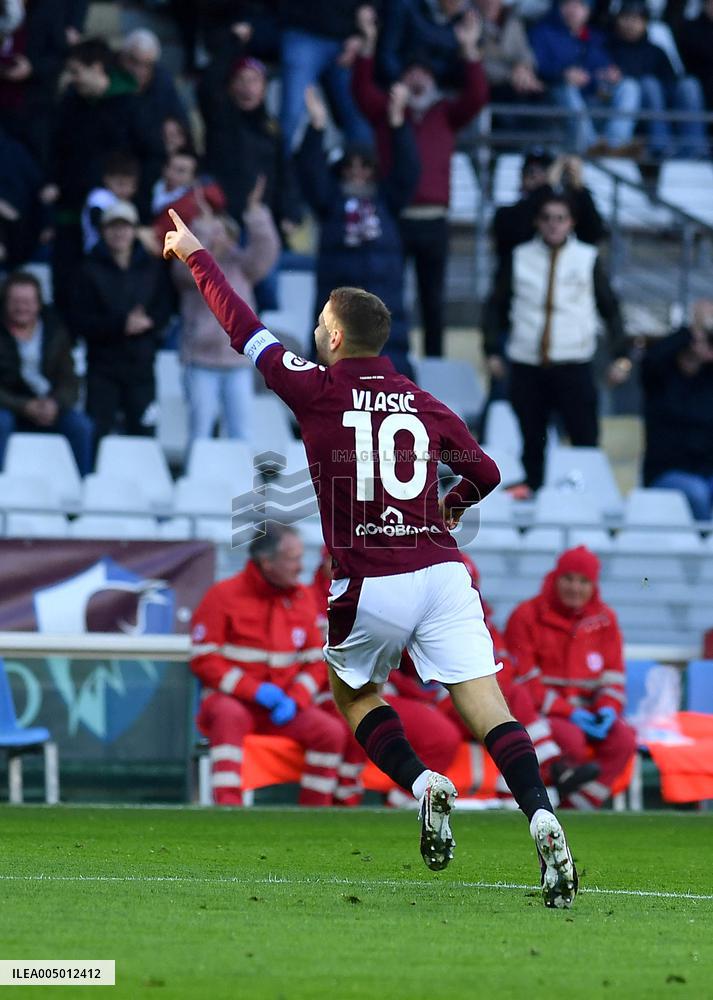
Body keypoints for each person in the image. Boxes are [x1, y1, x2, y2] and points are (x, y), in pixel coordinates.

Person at [164, 205, 579, 908]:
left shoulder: (317, 387)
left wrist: (195, 253)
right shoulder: (421, 400)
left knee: (353, 694)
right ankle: (539, 813)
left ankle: (423, 785)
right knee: (488, 707)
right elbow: (482, 472)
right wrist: (451, 508)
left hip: (370, 579)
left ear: (330, 335)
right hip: (445, 574)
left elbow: (241, 328)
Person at [353, 6, 488, 357]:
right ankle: (388, 362)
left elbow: (477, 97)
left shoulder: (444, 114)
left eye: (424, 74)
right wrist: (368, 44)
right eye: (410, 73)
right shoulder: (388, 113)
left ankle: (433, 367)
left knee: (433, 301)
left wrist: (469, 50)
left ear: (433, 81)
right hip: (396, 220)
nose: (417, 80)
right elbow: (361, 91)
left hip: (434, 222)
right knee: (387, 298)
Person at [190, 524, 348, 806]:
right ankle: (227, 810)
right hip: (234, 703)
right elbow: (204, 659)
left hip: (284, 708)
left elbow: (316, 661)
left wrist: (296, 698)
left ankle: (315, 818)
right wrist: (255, 691)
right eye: (293, 559)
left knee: (331, 732)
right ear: (267, 562)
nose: (301, 568)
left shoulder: (301, 598)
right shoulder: (222, 596)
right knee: (229, 716)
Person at [483, 193, 631, 491]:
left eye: (560, 218)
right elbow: (495, 307)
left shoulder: (587, 258)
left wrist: (621, 355)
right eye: (547, 218)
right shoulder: (519, 256)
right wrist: (491, 350)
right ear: (538, 221)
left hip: (573, 363)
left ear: (571, 222)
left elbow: (611, 309)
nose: (553, 225)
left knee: (584, 439)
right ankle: (535, 508)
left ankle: (586, 502)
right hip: (528, 364)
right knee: (531, 442)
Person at [296, 84, 418, 376]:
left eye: (365, 167)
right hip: (339, 323)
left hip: (387, 327)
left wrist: (398, 123)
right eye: (349, 167)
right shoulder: (331, 202)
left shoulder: (386, 202)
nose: (357, 173)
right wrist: (317, 127)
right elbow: (309, 173)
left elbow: (408, 170)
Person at [505, 546, 637, 809]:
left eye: (584, 581)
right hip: (544, 712)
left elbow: (613, 679)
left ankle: (577, 808)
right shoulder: (526, 615)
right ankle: (556, 808)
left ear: (594, 585)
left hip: (588, 711)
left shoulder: (605, 620)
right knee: (572, 742)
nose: (575, 588)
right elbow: (524, 683)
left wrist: (607, 710)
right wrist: (569, 712)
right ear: (555, 578)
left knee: (624, 739)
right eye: (568, 579)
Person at [171, 176, 280, 443]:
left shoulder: (243, 266)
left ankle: (240, 481)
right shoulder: (191, 270)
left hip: (238, 361)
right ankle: (196, 481)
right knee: (200, 433)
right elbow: (186, 266)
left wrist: (255, 213)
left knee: (242, 433)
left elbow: (266, 251)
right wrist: (203, 230)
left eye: (224, 233)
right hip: (200, 360)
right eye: (213, 233)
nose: (219, 238)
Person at [71, 201, 173, 445]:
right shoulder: (87, 269)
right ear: (103, 231)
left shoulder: (152, 266)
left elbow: (165, 307)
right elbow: (80, 320)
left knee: (144, 434)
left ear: (134, 230)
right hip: (102, 367)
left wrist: (148, 322)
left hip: (142, 365)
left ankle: (145, 482)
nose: (119, 233)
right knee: (99, 434)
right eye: (113, 227)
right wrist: (121, 324)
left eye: (125, 227)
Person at [0, 270, 93, 474]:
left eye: (27, 301)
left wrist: (55, 403)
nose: (21, 307)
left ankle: (82, 493)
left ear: (38, 304)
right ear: (5, 302)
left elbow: (70, 380)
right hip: (10, 406)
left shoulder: (56, 332)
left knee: (81, 426)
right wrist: (24, 406)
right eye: (15, 301)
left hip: (49, 406)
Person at [529, 0, 641, 155]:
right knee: (565, 89)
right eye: (568, 4)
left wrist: (608, 75)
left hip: (592, 100)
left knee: (629, 86)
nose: (573, 10)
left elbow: (602, 67)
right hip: (556, 102)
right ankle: (591, 147)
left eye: (580, 5)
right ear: (559, 7)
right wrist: (563, 74)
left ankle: (615, 145)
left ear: (588, 11)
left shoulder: (595, 37)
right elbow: (536, 66)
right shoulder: (542, 32)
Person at [640, 299, 713, 521]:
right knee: (698, 493)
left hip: (705, 471)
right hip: (666, 472)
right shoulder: (660, 380)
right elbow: (651, 360)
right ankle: (705, 549)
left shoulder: (708, 382)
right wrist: (693, 329)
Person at [609, 0, 708, 160]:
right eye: (626, 18)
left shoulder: (656, 50)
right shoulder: (608, 48)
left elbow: (672, 81)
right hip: (634, 112)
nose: (630, 24)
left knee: (689, 84)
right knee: (649, 84)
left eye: (636, 19)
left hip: (663, 107)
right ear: (617, 21)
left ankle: (695, 147)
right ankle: (661, 146)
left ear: (645, 22)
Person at [279, 0, 373, 154]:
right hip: (302, 32)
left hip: (347, 40)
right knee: (292, 114)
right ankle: (279, 174)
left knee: (360, 115)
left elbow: (372, 7)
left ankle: (363, 175)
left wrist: (360, 34)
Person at [492, 149, 605, 266]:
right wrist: (547, 186)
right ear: (521, 177)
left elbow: (593, 234)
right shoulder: (504, 214)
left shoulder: (564, 211)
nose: (536, 176)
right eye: (530, 171)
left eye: (544, 171)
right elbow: (519, 231)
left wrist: (578, 188)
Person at [377, 0, 477, 87]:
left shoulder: (466, 19)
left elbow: (460, 80)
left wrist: (468, 47)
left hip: (435, 92)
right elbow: (387, 52)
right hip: (397, 86)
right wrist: (403, 79)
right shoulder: (405, 5)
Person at [81, 152, 141, 254]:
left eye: (129, 185)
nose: (124, 189)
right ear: (107, 179)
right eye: (120, 184)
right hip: (97, 252)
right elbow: (97, 220)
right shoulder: (99, 196)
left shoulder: (125, 202)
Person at [675, 0, 713, 120]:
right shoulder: (689, 28)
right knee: (689, 86)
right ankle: (694, 139)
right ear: (705, 4)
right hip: (699, 86)